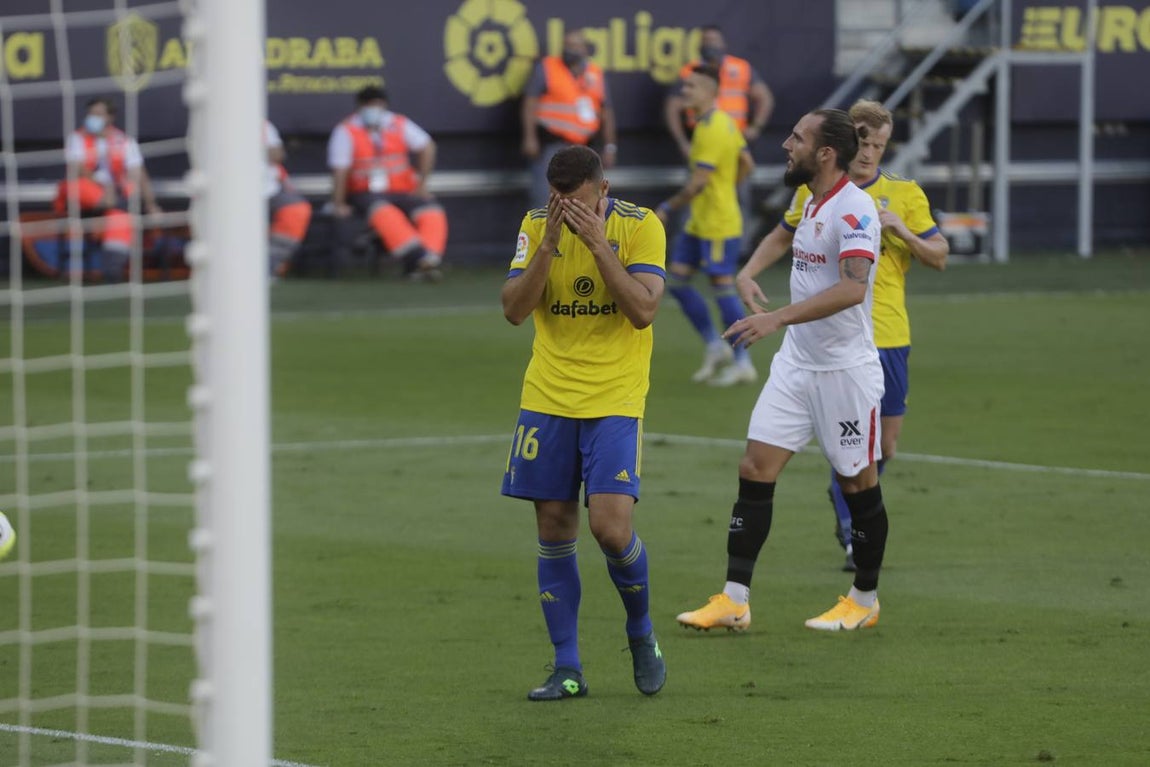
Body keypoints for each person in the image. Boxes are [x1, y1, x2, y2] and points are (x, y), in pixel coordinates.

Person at [676, 108, 890, 633]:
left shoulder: (855, 209)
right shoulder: (809, 199)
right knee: (754, 468)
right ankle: (734, 600)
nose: (784, 145)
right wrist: (747, 272)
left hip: (844, 373)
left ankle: (864, 598)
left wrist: (776, 319)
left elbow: (852, 288)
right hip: (796, 365)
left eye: (797, 138)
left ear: (824, 153)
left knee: (857, 483)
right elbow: (782, 233)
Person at [744, 100, 949, 571]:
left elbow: (939, 255)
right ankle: (852, 533)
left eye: (879, 144)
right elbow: (783, 233)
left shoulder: (903, 195)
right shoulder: (815, 191)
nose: (869, 152)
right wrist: (749, 271)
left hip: (887, 333)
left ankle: (847, 493)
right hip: (826, 339)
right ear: (842, 139)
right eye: (863, 139)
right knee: (851, 457)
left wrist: (903, 232)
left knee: (885, 447)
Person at [501, 145, 667, 700]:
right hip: (547, 397)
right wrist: (549, 244)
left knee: (611, 529)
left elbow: (643, 312)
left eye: (578, 202)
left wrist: (598, 246)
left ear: (603, 189)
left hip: (615, 398)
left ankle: (641, 630)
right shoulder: (534, 226)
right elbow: (514, 309)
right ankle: (567, 668)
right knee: (553, 527)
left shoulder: (641, 227)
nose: (568, 211)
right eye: (558, 201)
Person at [655, 65, 757, 387]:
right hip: (701, 220)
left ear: (711, 93)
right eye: (685, 86)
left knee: (721, 286)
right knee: (679, 281)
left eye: (692, 87)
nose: (685, 92)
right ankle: (715, 346)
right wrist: (728, 187)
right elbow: (747, 164)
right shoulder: (719, 122)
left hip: (716, 223)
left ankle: (743, 361)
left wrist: (668, 207)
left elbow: (698, 183)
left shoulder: (712, 129)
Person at [664, 24, 773, 252]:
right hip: (703, 138)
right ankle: (687, 248)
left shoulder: (740, 68)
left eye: (713, 40)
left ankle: (736, 249)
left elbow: (765, 97)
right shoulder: (691, 71)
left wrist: (756, 126)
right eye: (705, 41)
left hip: (732, 138)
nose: (709, 46)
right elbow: (672, 105)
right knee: (695, 192)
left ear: (723, 44)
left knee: (736, 196)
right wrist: (682, 142)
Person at [327, 86, 446, 280]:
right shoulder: (346, 130)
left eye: (377, 105)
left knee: (431, 211)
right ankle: (418, 259)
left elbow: (427, 146)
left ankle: (428, 261)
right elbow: (340, 170)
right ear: (359, 107)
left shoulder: (397, 123)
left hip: (402, 190)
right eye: (369, 105)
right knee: (384, 212)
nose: (373, 109)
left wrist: (422, 184)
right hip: (365, 192)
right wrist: (338, 203)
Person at [55, 97, 161, 282]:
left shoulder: (124, 140)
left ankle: (113, 265)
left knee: (120, 213)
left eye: (98, 114)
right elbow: (77, 168)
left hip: (116, 197)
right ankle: (123, 205)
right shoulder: (77, 138)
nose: (92, 118)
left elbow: (139, 172)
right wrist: (104, 184)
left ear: (110, 117)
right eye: (91, 114)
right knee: (76, 185)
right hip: (86, 194)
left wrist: (151, 204)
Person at [520, 29, 618, 209]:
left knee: (587, 200)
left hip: (584, 147)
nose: (569, 50)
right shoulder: (547, 67)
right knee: (545, 199)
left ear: (585, 49)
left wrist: (610, 146)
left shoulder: (595, 73)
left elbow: (607, 112)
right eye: (566, 45)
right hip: (552, 144)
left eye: (574, 45)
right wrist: (530, 137)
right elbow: (529, 103)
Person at [265, 120, 313, 278]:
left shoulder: (261, 124)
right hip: (232, 190)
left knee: (297, 209)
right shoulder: (215, 121)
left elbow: (277, 154)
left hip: (269, 188)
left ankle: (269, 267)